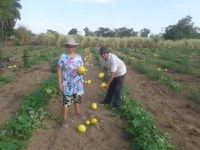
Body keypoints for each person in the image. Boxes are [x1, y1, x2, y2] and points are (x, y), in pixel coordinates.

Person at [57, 37, 85, 128]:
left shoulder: (79, 57)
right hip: (67, 83)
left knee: (77, 98)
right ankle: (64, 119)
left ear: (75, 47)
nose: (71, 48)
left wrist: (83, 72)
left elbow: (82, 69)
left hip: (77, 82)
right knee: (67, 101)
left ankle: (78, 113)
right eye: (69, 46)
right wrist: (60, 83)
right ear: (67, 47)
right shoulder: (63, 57)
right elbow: (59, 70)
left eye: (72, 46)